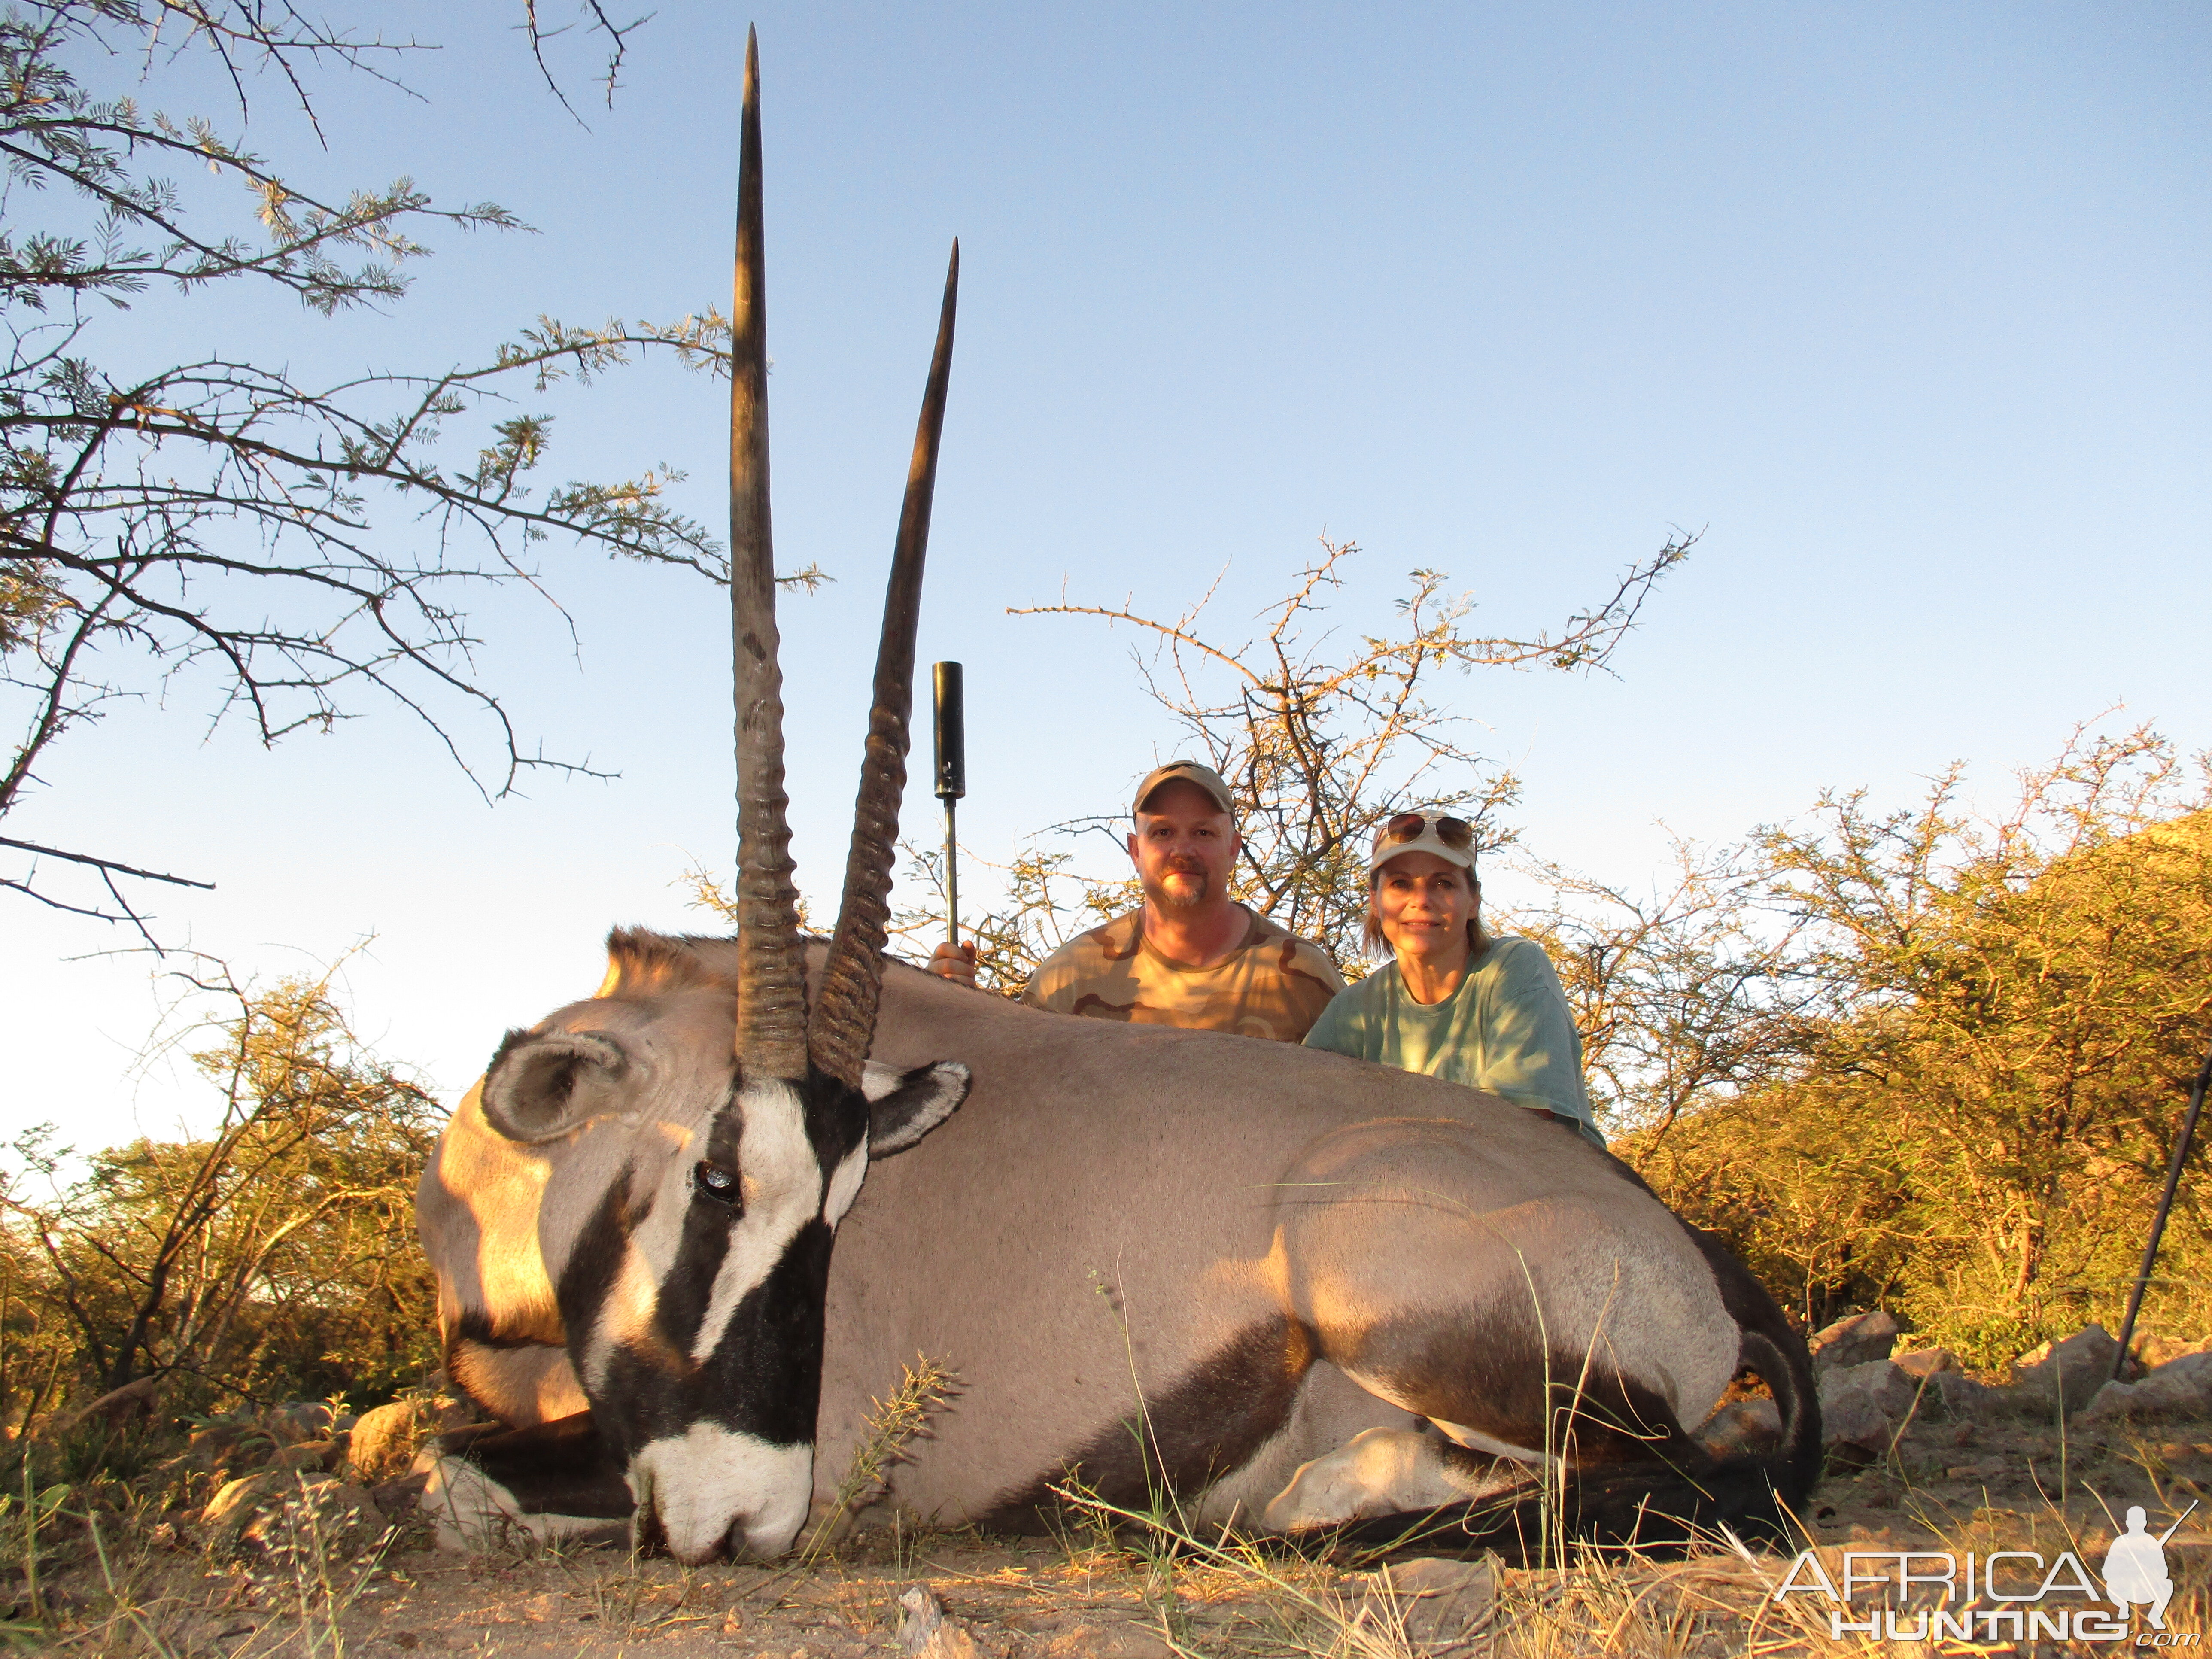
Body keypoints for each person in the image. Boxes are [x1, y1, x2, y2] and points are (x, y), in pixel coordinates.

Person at [929, 760, 1344, 1042]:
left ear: (1234, 847)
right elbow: (1006, 1086)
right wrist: (957, 1012)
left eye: (1203, 833)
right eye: (1162, 833)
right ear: (1135, 850)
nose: (1183, 850)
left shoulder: (1303, 976)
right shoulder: (1068, 979)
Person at [1303, 810, 1606, 1147]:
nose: (1421, 901)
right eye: (1401, 884)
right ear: (1375, 901)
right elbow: (1302, 1111)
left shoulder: (1515, 967)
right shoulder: (1353, 1008)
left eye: (1443, 884)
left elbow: (1524, 1126)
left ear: (1474, 900)